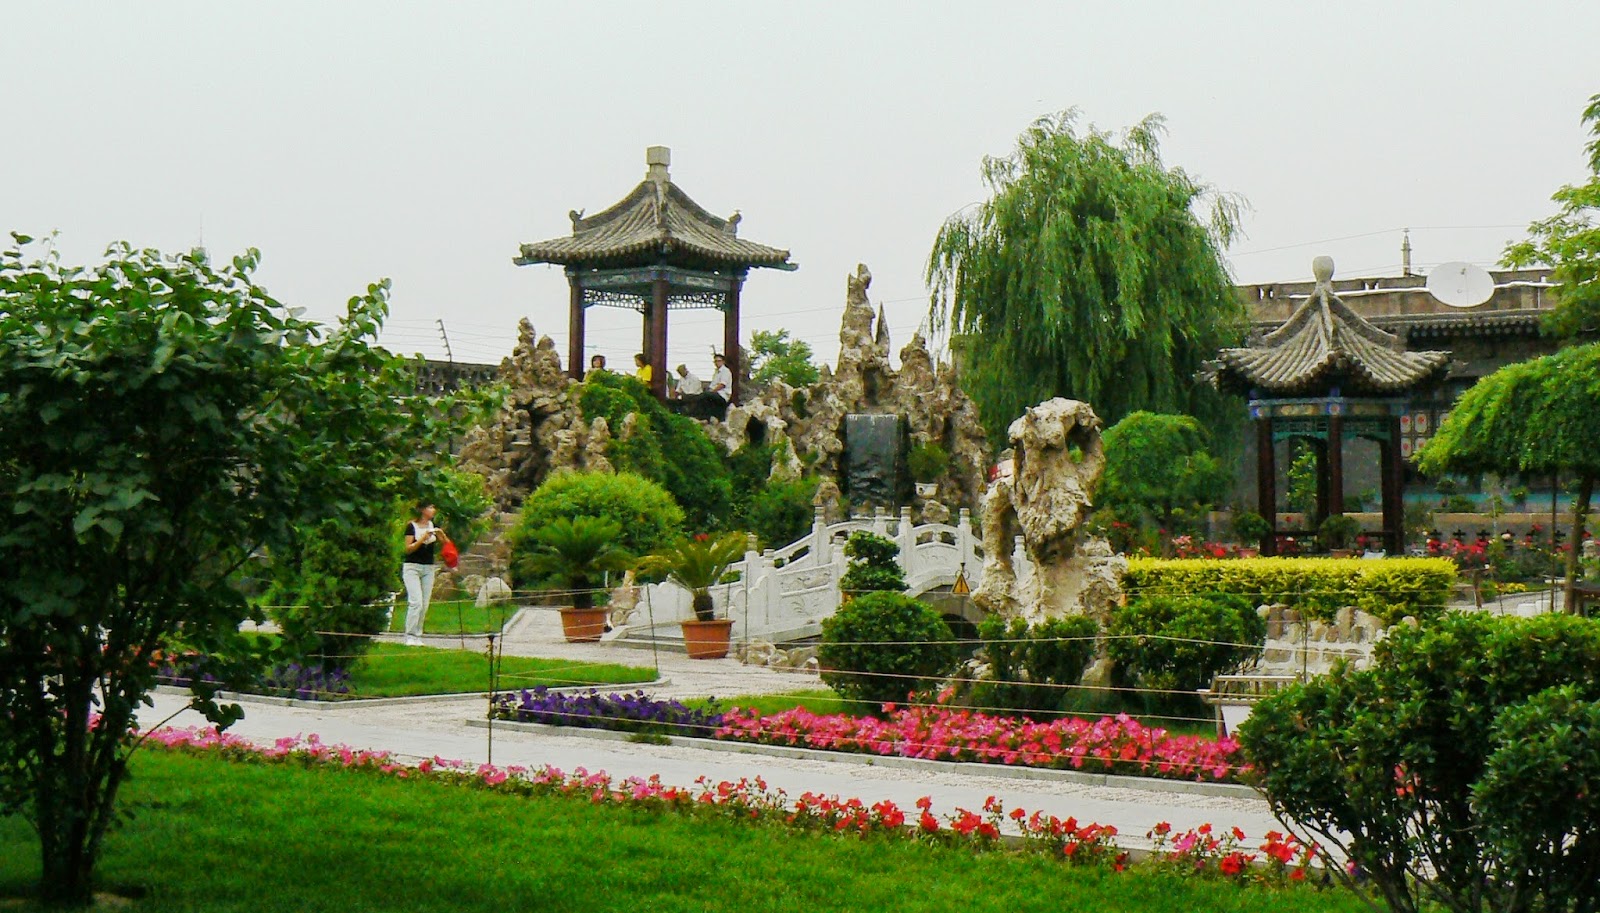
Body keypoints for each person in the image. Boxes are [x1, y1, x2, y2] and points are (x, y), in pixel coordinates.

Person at [402, 502, 450, 646]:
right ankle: (410, 635)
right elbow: (408, 549)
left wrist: (441, 534)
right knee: (416, 602)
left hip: (428, 568)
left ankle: (418, 635)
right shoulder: (412, 526)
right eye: (430, 507)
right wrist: (422, 539)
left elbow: (447, 545)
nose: (433, 510)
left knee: (424, 604)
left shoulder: (433, 525)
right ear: (422, 510)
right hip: (412, 567)